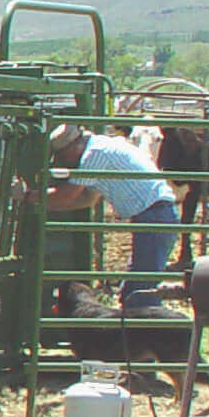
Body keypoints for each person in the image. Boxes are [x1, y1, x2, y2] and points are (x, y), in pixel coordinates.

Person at [47, 121, 179, 313]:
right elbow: (87, 199)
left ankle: (149, 338)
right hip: (155, 215)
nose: (64, 161)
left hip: (154, 216)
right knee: (136, 290)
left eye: (63, 155)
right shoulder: (102, 147)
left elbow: (68, 195)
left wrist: (30, 196)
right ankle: (144, 338)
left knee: (139, 294)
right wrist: (46, 202)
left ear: (74, 146)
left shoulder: (95, 154)